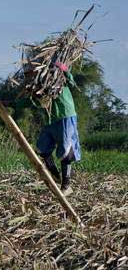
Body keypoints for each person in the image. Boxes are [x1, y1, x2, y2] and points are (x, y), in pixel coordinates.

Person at [36, 61, 82, 196]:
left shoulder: (61, 80)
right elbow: (33, 99)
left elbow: (72, 82)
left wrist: (64, 70)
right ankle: (54, 173)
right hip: (50, 118)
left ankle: (66, 185)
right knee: (41, 148)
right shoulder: (41, 84)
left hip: (65, 115)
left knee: (66, 151)